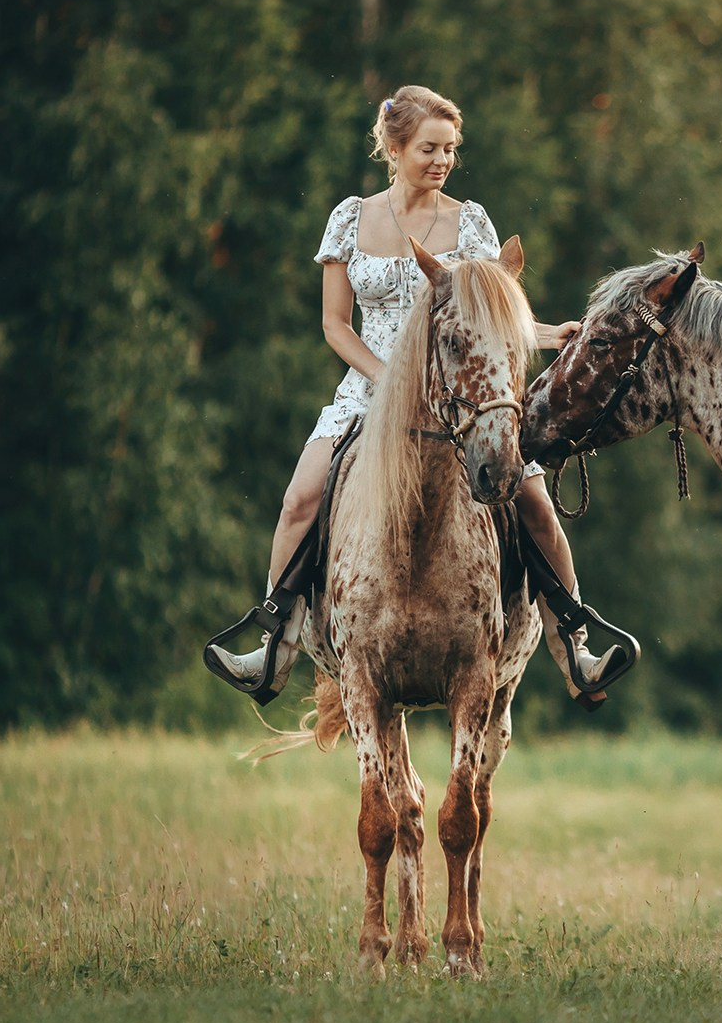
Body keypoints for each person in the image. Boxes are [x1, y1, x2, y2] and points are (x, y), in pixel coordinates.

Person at [207, 85, 624, 705]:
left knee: (533, 502)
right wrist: (389, 379)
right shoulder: (350, 218)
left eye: (450, 149)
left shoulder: (470, 221)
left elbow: (493, 321)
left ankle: (575, 648)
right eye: (429, 148)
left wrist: (549, 333)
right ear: (394, 147)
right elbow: (334, 325)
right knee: (300, 498)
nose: (442, 160)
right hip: (368, 391)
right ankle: (273, 647)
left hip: (462, 395)